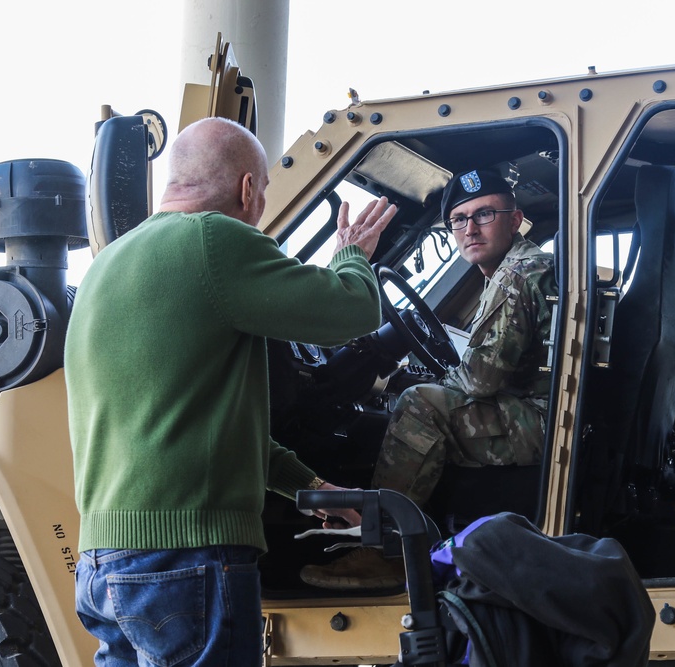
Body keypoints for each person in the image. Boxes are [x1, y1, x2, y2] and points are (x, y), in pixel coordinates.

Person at [64, 117, 396, 666]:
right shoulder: (213, 239)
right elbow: (353, 311)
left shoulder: (107, 266)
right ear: (247, 188)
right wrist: (351, 251)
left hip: (105, 563)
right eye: (263, 192)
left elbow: (202, 428)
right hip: (186, 558)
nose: (260, 204)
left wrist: (311, 488)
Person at [300, 166, 557, 590]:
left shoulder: (517, 273)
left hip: (544, 424)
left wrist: (403, 386)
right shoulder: (517, 268)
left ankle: (385, 555)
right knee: (420, 397)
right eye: (459, 219)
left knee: (419, 405)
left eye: (484, 215)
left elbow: (480, 381)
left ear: (514, 220)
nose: (470, 228)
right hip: (543, 413)